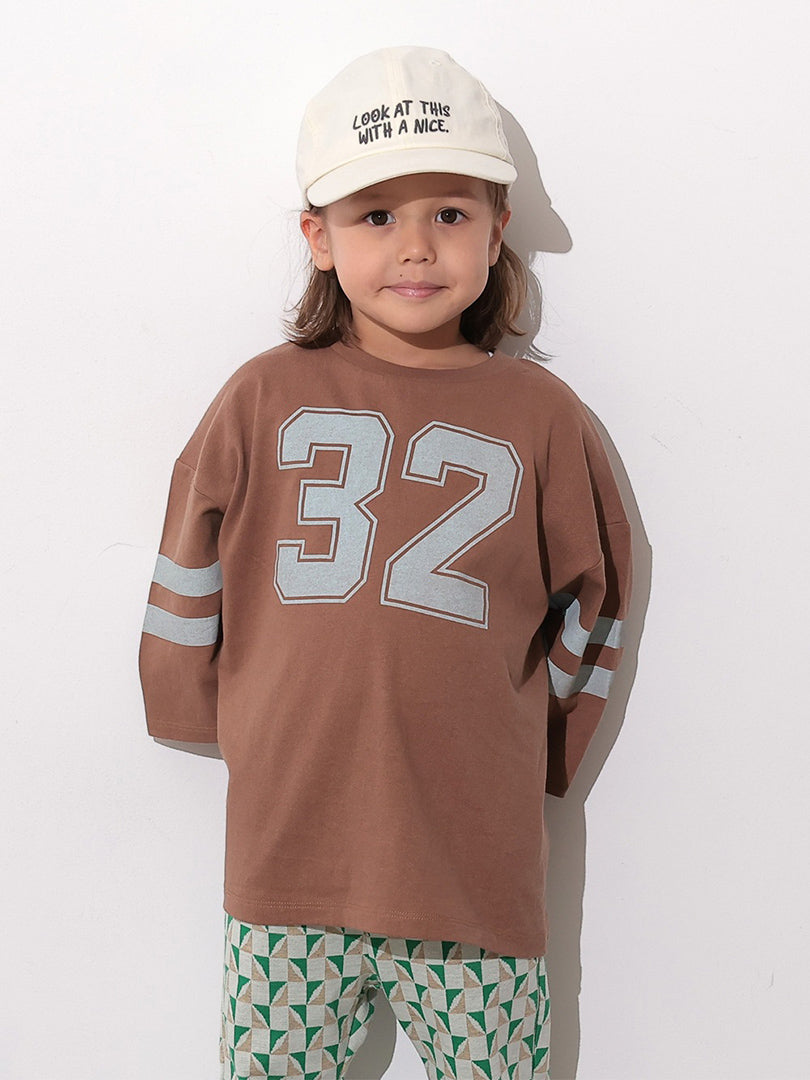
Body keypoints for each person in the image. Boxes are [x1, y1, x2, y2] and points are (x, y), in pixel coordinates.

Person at [139, 45, 632, 1080]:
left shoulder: (543, 417)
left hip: (473, 866)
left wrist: (535, 743)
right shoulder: (262, 396)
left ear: (497, 228)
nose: (415, 246)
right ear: (318, 238)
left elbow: (600, 595)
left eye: (449, 212)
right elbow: (190, 550)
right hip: (287, 860)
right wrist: (201, 708)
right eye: (375, 215)